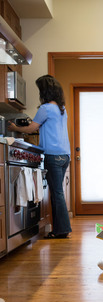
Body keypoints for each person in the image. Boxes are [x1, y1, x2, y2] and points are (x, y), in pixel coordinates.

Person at [8, 75, 72, 239]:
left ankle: (61, 230)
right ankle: (61, 229)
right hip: (64, 154)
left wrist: (14, 127)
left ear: (45, 91)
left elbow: (31, 129)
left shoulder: (45, 108)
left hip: (52, 155)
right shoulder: (61, 108)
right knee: (58, 192)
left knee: (57, 193)